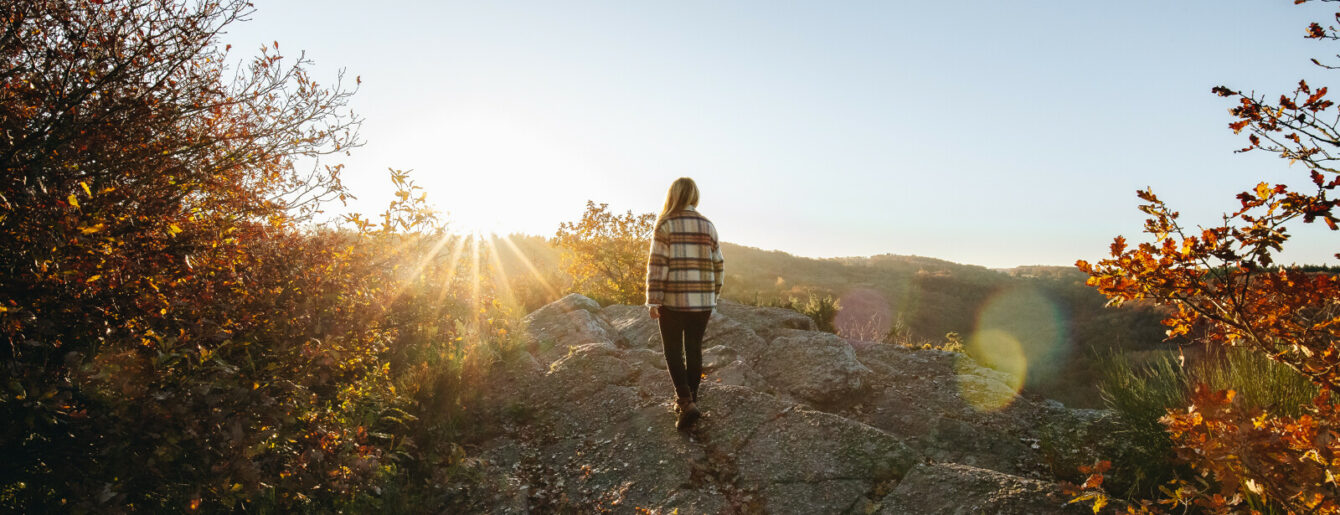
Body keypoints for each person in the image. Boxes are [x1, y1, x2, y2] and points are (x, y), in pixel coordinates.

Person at [645, 177, 725, 430]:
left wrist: (653, 300)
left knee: (672, 350)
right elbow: (719, 264)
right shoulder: (708, 225)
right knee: (694, 349)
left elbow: (658, 265)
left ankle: (685, 401)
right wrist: (713, 294)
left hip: (673, 300)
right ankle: (693, 400)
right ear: (694, 196)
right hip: (702, 301)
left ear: (673, 195)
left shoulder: (666, 224)